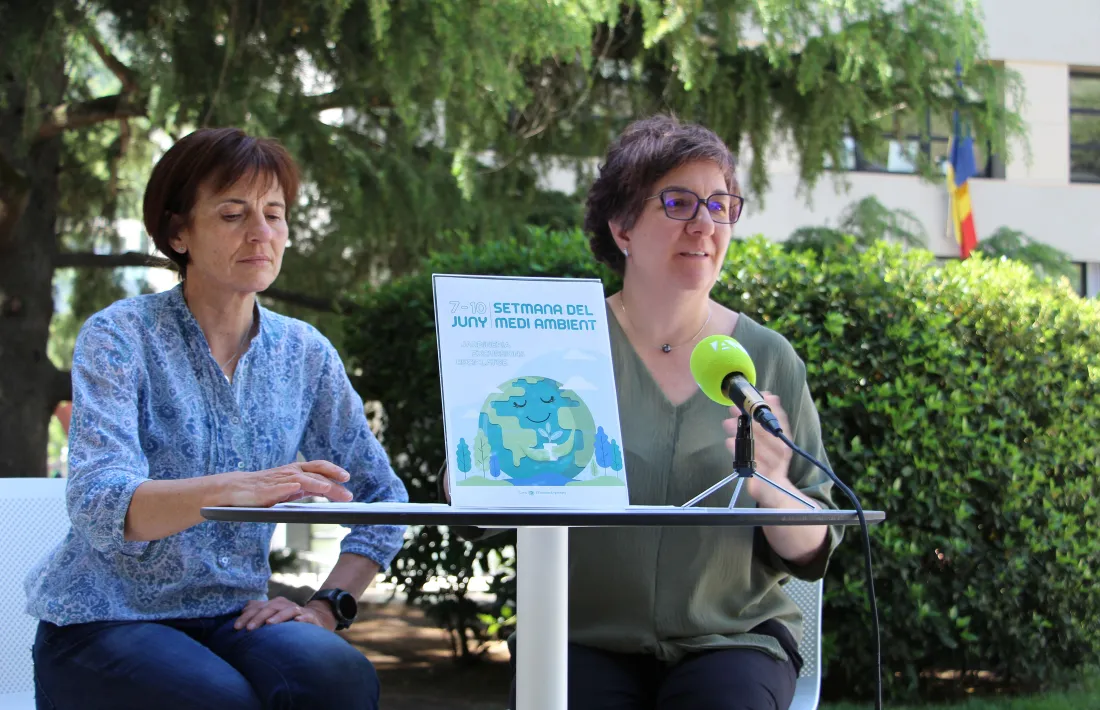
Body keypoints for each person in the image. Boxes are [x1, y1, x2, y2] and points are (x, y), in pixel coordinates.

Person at [446, 115, 845, 710]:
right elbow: (474, 505)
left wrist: (775, 486)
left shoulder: (767, 357)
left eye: (720, 205)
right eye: (679, 203)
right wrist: (475, 466)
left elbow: (813, 551)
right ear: (622, 227)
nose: (704, 224)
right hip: (579, 639)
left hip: (733, 640)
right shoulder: (553, 343)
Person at [24, 127, 409, 710]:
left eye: (274, 214)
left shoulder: (305, 352)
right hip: (103, 619)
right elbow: (100, 503)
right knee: (219, 699)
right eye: (233, 214)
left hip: (235, 617)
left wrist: (327, 606)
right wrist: (234, 489)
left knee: (340, 677)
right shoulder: (119, 335)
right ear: (179, 232)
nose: (261, 233)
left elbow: (382, 499)